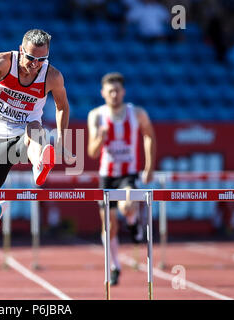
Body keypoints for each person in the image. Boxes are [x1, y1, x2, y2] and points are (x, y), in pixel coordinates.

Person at [0, 29, 74, 232]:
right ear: (21, 50)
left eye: (42, 59)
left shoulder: (52, 76)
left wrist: (61, 137)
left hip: (26, 132)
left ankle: (40, 163)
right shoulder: (4, 62)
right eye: (31, 58)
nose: (35, 64)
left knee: (35, 130)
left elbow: (62, 106)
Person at [87, 72, 156, 285]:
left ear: (123, 92)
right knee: (109, 226)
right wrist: (101, 137)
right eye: (110, 91)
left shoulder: (137, 113)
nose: (114, 95)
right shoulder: (96, 116)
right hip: (107, 176)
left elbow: (149, 136)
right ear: (103, 93)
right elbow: (92, 152)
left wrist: (149, 166)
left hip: (128, 173)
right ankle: (115, 266)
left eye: (117, 90)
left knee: (127, 206)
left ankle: (134, 221)